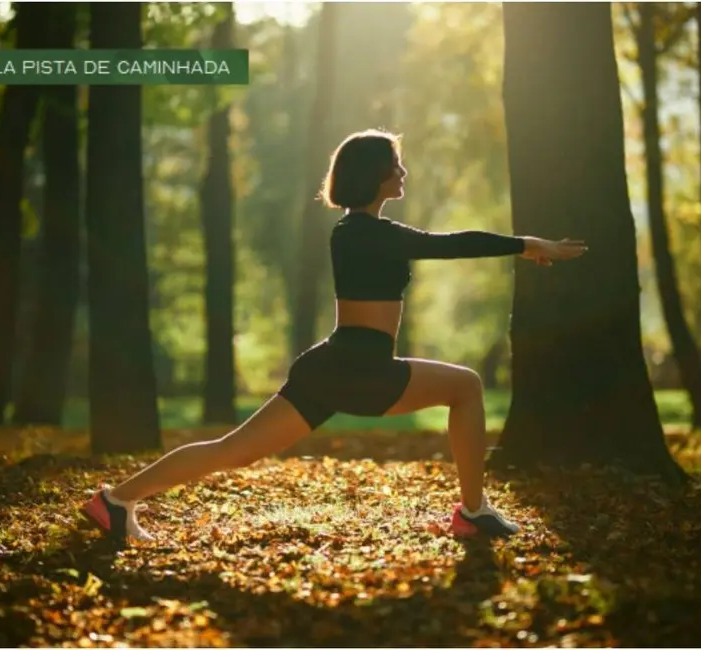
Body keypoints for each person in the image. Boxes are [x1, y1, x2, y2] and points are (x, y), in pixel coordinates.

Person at [82, 128, 587, 542]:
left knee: (232, 450)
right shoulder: (369, 233)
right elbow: (448, 245)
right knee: (467, 386)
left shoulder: (356, 231)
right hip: (360, 368)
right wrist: (525, 244)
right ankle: (473, 512)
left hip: (334, 365)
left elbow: (438, 244)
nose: (403, 171)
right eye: (396, 164)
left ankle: (115, 501)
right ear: (375, 175)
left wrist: (524, 246)